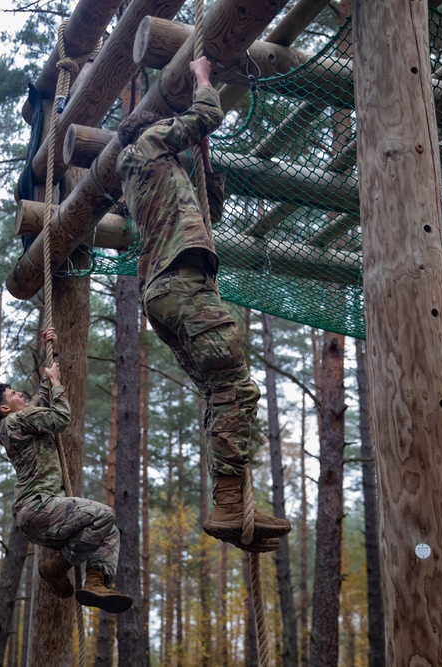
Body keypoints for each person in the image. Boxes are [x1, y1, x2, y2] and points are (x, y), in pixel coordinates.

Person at [116, 57, 292, 553]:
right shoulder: (146, 146)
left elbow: (206, 215)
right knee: (236, 386)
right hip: (180, 283)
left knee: (220, 391)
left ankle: (231, 510)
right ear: (153, 133)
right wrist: (201, 79)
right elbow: (204, 116)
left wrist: (207, 173)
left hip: (164, 293)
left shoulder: (146, 181)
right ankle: (231, 501)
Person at [0, 328, 132, 613]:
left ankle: (96, 581)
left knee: (110, 531)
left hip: (44, 514)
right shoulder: (14, 423)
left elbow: (40, 396)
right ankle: (57, 567)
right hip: (38, 508)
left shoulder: (20, 421)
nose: (20, 393)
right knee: (103, 514)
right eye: (13, 394)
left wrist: (50, 350)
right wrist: (57, 382)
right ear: (4, 408)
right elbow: (60, 417)